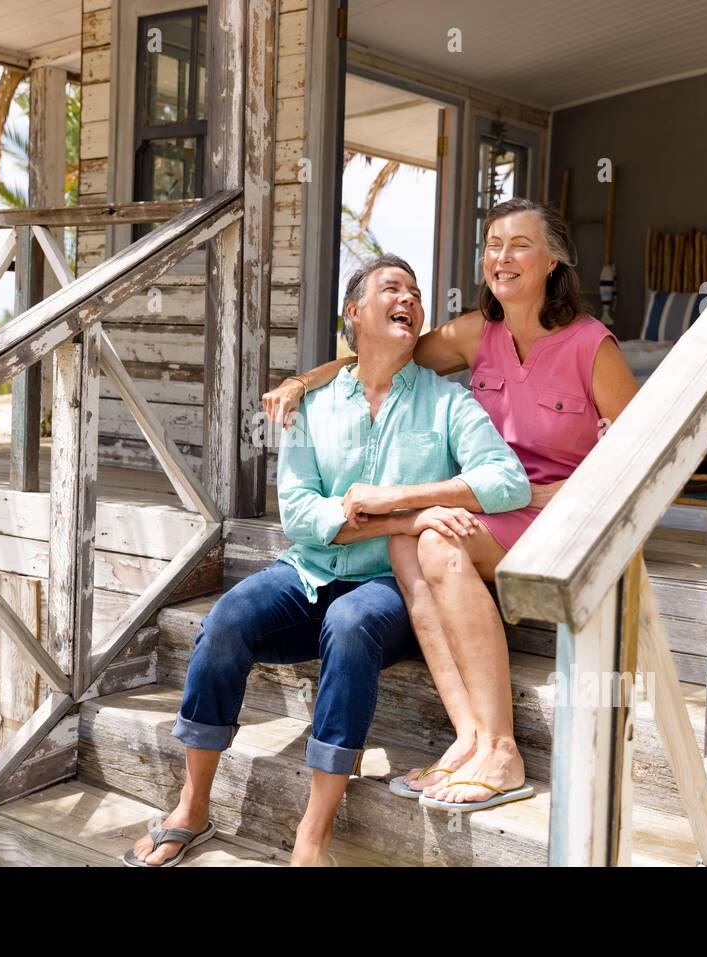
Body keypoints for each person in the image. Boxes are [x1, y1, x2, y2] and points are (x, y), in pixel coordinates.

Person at [125, 254, 532, 867]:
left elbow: (509, 483)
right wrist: (405, 521)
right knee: (229, 617)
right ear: (354, 314)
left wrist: (408, 502)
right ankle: (193, 804)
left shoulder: (447, 403)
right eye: (393, 289)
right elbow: (300, 514)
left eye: (417, 294)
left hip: (391, 584)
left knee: (350, 626)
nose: (411, 300)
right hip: (311, 570)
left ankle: (312, 837)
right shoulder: (313, 406)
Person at [261, 199, 640, 810]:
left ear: (552, 261)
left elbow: (645, 455)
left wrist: (565, 493)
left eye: (519, 245)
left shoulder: (591, 346)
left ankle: (502, 746)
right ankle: (469, 737)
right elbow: (379, 356)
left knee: (433, 537)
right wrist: (302, 383)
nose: (502, 257)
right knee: (408, 537)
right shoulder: (474, 334)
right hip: (498, 504)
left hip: (566, 513)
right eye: (493, 244)